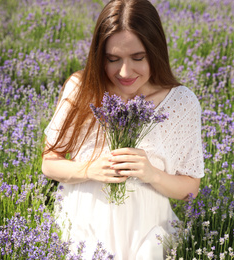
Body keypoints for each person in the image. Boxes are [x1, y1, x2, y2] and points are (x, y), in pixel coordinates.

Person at [42, 0, 204, 259]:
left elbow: (191, 189)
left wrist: (152, 174)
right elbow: (50, 164)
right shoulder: (81, 87)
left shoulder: (181, 102)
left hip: (148, 231)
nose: (125, 71)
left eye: (138, 58)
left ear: (156, 51)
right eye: (113, 59)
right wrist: (90, 169)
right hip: (84, 227)